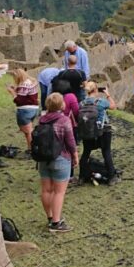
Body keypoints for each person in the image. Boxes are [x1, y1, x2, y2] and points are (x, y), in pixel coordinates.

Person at [36, 93, 78, 232]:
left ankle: (50, 217)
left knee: (46, 190)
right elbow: (70, 141)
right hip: (61, 158)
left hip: (43, 159)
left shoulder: (41, 120)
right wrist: (75, 155)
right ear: (61, 105)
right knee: (59, 192)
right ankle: (56, 223)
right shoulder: (64, 120)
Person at [79, 81, 117, 185]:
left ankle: (81, 177)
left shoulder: (82, 103)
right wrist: (108, 94)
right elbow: (113, 106)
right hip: (102, 131)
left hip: (88, 131)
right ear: (96, 90)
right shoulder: (101, 102)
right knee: (106, 152)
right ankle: (111, 177)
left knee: (86, 152)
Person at [6, 68, 39, 149]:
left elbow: (19, 101)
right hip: (34, 109)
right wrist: (16, 89)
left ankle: (31, 149)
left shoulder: (24, 85)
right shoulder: (31, 82)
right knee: (30, 130)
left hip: (25, 110)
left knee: (28, 133)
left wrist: (12, 93)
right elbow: (26, 96)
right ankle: (34, 148)